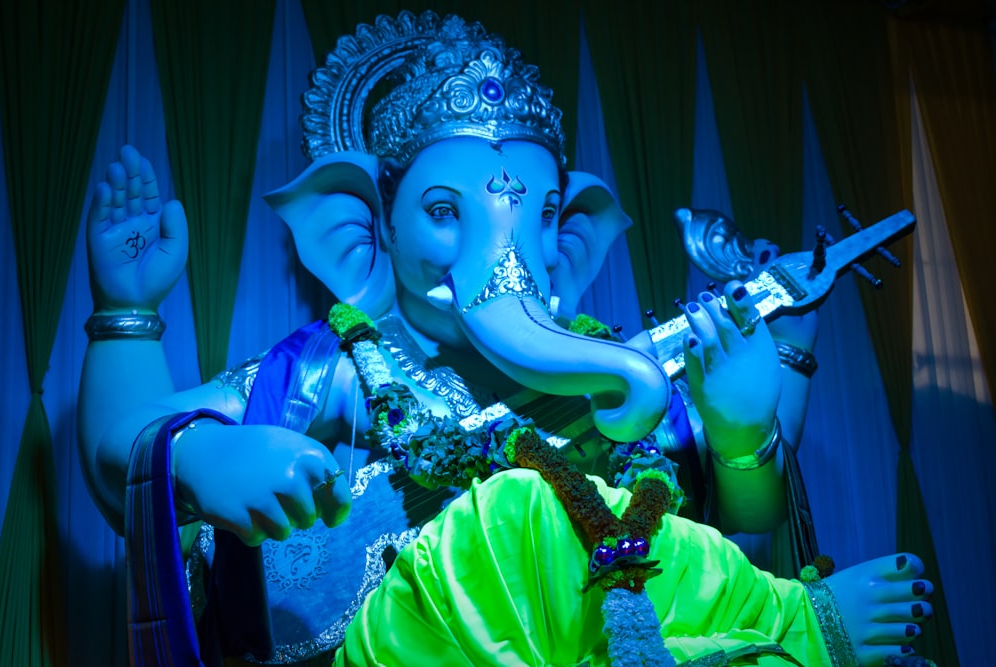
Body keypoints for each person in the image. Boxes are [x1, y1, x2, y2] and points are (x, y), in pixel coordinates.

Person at [78, 10, 932, 666]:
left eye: (538, 213)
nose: (502, 255)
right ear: (362, 227)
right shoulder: (341, 369)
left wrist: (744, 436)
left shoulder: (616, 379)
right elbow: (128, 446)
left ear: (571, 234)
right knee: (521, 504)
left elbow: (726, 541)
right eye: (446, 213)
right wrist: (188, 439)